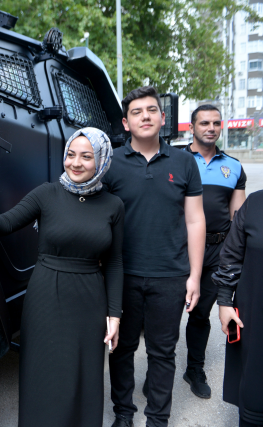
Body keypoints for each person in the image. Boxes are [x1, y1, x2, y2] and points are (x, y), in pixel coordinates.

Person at [0, 128, 124, 427]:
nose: (76, 163)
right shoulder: (47, 193)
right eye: (71, 155)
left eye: (86, 157)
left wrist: (114, 314)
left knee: (82, 376)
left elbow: (114, 262)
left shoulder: (114, 206)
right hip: (46, 296)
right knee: (44, 374)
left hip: (90, 301)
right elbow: (6, 222)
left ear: (101, 161)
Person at [102, 86, 206, 427]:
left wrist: (194, 275)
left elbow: (194, 220)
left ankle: (157, 419)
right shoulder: (111, 162)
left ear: (163, 118)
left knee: (163, 353)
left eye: (151, 110)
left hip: (171, 276)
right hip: (123, 276)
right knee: (122, 348)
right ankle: (123, 414)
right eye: (137, 112)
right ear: (125, 122)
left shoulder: (184, 161)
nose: (145, 116)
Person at [182, 104, 246, 399]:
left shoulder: (233, 167)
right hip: (179, 250)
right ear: (192, 127)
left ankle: (194, 369)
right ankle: (159, 368)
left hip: (217, 252)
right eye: (204, 123)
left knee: (200, 315)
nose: (211, 127)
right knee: (165, 314)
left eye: (216, 123)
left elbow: (239, 217)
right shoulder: (176, 160)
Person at [212, 190, 263, 427]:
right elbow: (232, 255)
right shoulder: (255, 203)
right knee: (254, 388)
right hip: (255, 316)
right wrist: (224, 301)